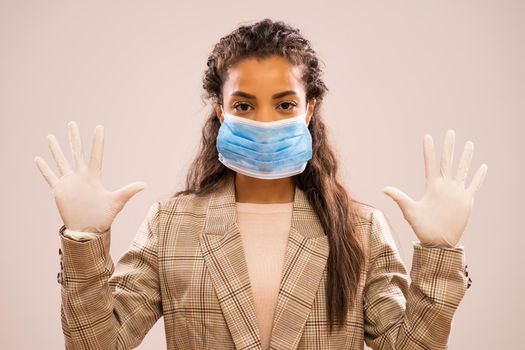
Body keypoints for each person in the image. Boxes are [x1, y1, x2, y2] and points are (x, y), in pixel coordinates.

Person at [34, 18, 486, 350]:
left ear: (309, 111)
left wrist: (438, 251)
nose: (265, 122)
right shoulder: (171, 225)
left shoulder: (360, 228)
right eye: (245, 106)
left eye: (285, 104)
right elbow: (97, 345)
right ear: (220, 111)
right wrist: (84, 240)